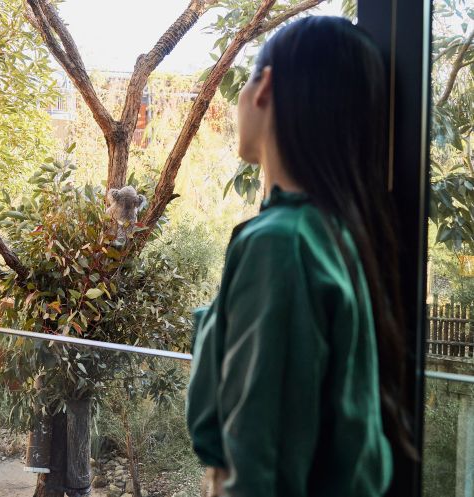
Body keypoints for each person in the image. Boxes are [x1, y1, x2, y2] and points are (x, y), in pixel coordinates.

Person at [186, 16, 414, 497]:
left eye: (246, 80)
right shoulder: (335, 233)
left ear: (264, 86)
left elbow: (258, 464)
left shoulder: (281, 244)